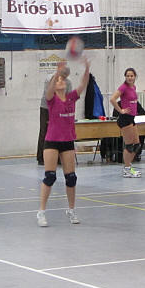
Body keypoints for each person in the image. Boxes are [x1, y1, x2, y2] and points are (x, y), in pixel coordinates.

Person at [37, 58, 90, 227]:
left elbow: (83, 84)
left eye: (62, 80)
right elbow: (49, 89)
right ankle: (41, 212)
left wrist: (87, 68)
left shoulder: (71, 98)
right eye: (58, 80)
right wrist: (57, 73)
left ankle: (71, 210)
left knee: (71, 178)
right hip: (52, 141)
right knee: (50, 176)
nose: (60, 81)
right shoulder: (51, 100)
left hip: (67, 141)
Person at [109, 67, 142, 178]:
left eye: (131, 76)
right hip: (125, 119)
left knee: (137, 145)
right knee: (129, 145)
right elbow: (112, 99)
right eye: (127, 76)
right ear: (125, 77)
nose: (129, 78)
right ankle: (127, 170)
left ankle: (128, 166)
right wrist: (121, 110)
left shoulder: (133, 87)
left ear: (135, 77)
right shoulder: (123, 87)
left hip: (132, 118)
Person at [37, 67, 72, 165]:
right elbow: (49, 96)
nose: (64, 78)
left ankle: (59, 157)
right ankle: (41, 158)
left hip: (60, 108)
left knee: (60, 132)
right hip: (46, 108)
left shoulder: (68, 82)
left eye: (65, 77)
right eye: (62, 76)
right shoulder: (49, 79)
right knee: (45, 131)